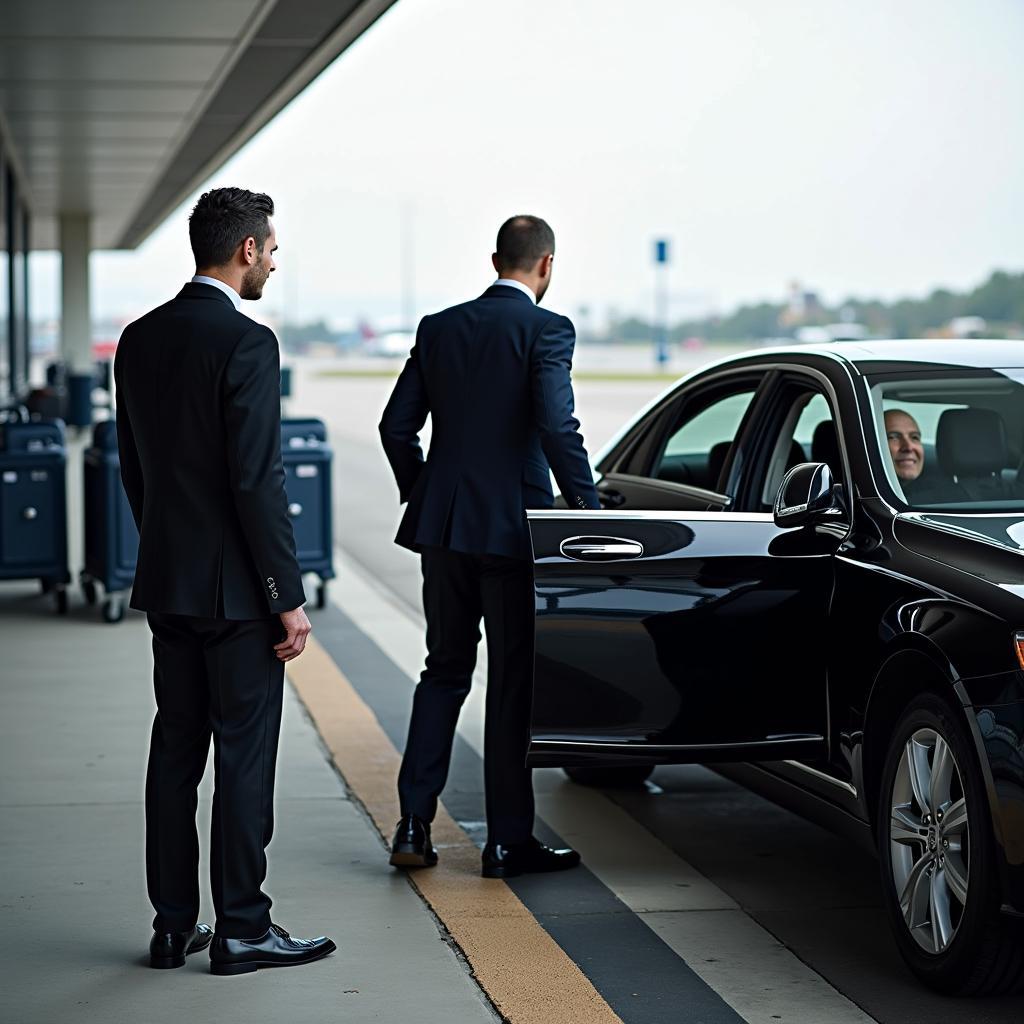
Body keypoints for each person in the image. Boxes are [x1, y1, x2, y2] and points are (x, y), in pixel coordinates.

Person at [115, 187, 335, 976]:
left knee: (175, 752)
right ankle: (243, 925)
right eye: (271, 250)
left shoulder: (138, 340)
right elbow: (257, 482)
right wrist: (287, 596)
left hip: (169, 584)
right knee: (243, 757)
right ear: (245, 250)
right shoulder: (249, 344)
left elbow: (134, 469)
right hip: (239, 596)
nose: (273, 262)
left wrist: (168, 551)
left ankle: (173, 925)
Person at [379, 215, 601, 879]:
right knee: (510, 684)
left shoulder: (439, 327)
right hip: (514, 531)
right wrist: (585, 508)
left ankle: (413, 823)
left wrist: (427, 492)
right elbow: (559, 426)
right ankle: (506, 842)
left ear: (495, 258)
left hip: (444, 530)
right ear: (547, 265)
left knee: (443, 669)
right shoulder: (546, 329)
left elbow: (396, 428)